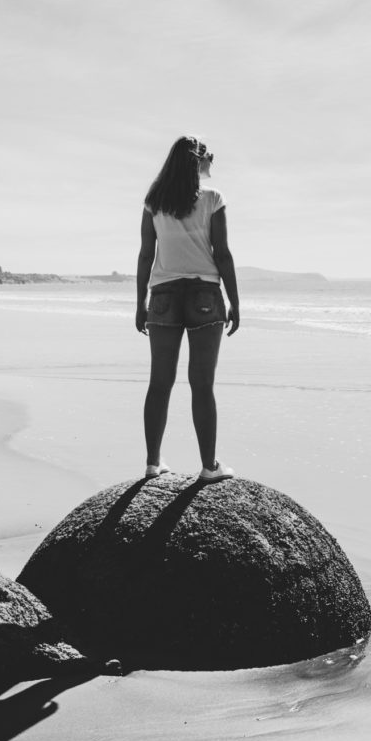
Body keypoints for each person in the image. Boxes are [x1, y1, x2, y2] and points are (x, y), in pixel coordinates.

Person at [136, 135, 240, 482]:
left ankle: (153, 463)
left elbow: (146, 255)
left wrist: (140, 301)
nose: (213, 162)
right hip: (204, 296)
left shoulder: (155, 201)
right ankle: (209, 467)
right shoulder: (213, 199)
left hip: (163, 294)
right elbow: (222, 253)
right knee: (202, 384)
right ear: (198, 162)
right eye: (210, 157)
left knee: (159, 382)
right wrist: (236, 301)